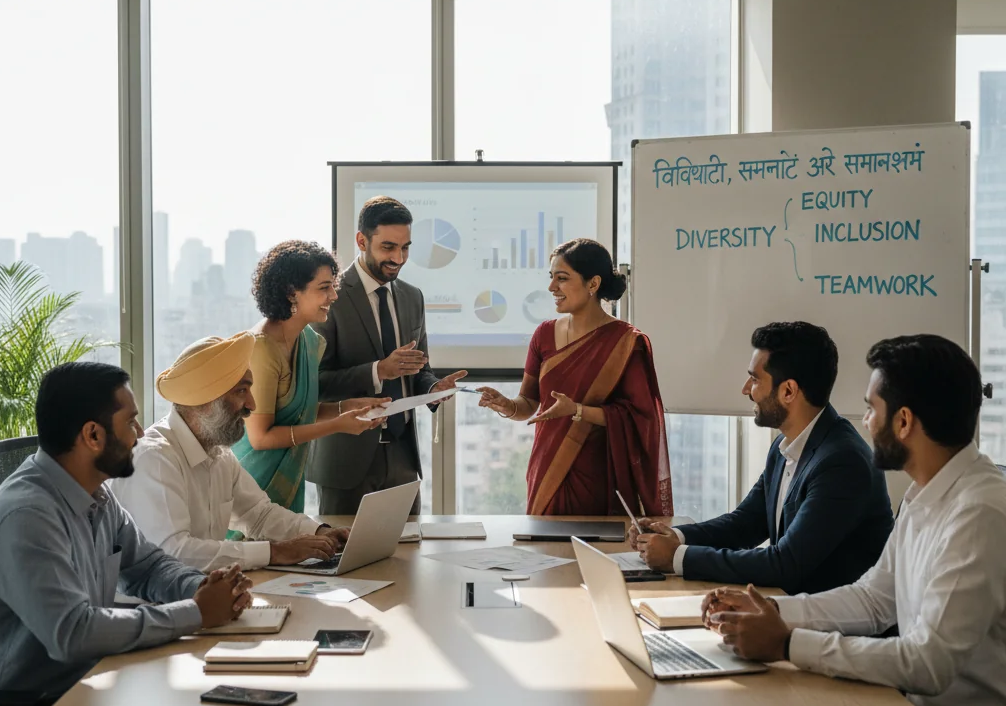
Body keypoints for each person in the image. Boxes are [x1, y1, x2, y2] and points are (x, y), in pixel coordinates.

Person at [703, 334, 1006, 706]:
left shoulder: (978, 513)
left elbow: (928, 665)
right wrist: (771, 613)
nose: (864, 422)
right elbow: (872, 601)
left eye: (870, 409)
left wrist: (787, 643)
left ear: (903, 422)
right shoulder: (927, 492)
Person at [0, 362, 253, 706]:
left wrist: (202, 585)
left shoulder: (97, 496)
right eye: (131, 422)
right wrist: (195, 612)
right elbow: (72, 633)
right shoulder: (26, 516)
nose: (140, 434)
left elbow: (148, 566)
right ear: (93, 435)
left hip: (80, 685)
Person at [631, 321, 892, 595]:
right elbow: (745, 523)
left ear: (788, 391)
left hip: (831, 626)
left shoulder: (842, 462)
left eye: (755, 379)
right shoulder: (785, 443)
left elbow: (786, 563)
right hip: (791, 609)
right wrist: (673, 537)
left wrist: (677, 557)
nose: (746, 389)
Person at [112, 334, 350, 572]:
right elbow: (175, 553)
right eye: (241, 391)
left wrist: (321, 533)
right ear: (205, 399)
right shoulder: (154, 458)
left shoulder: (220, 453)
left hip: (199, 595)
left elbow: (259, 515)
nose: (252, 405)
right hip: (149, 606)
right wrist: (276, 552)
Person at [478, 238, 672, 517]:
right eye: (551, 278)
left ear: (593, 284)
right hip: (546, 468)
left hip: (599, 472)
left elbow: (641, 419)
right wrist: (507, 406)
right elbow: (530, 403)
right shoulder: (543, 335)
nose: (551, 288)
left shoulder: (627, 342)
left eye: (562, 278)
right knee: (543, 554)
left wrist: (578, 411)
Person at [306, 197, 466, 516]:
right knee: (347, 561)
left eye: (405, 248)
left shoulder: (412, 297)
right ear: (361, 240)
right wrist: (378, 371)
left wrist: (432, 388)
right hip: (346, 462)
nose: (399, 258)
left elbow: (418, 370)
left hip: (404, 457)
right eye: (388, 247)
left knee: (409, 562)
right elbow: (315, 384)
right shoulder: (329, 296)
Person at [234, 240, 386, 511]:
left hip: (288, 491)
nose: (334, 297)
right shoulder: (262, 349)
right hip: (253, 490)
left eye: (333, 286)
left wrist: (346, 407)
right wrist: (338, 425)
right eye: (324, 288)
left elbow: (298, 412)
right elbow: (260, 437)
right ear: (292, 292)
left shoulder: (309, 341)